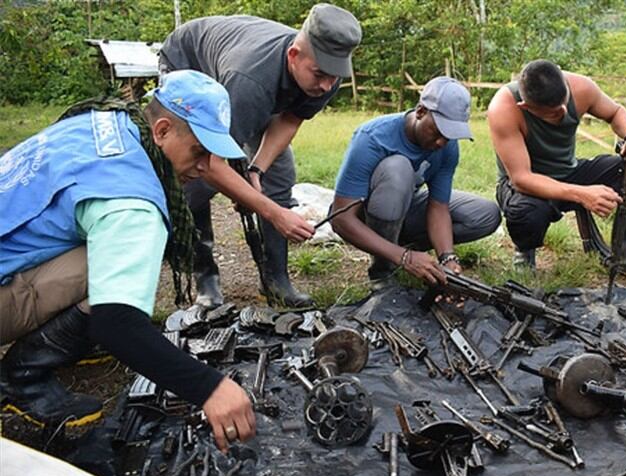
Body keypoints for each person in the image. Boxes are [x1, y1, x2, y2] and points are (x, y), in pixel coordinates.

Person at [0, 70, 255, 452]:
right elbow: (115, 321)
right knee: (122, 266)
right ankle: (22, 379)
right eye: (199, 151)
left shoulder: (104, 120)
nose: (205, 167)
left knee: (116, 256)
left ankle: (59, 343)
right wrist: (210, 387)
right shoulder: (132, 202)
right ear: (163, 130)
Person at [159, 5, 362, 308]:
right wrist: (272, 212)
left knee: (279, 174)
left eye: (333, 77)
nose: (326, 86)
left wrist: (256, 170)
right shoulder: (250, 81)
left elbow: (290, 120)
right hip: (192, 63)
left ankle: (275, 281)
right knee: (194, 180)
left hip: (248, 86)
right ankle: (206, 278)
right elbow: (209, 163)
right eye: (320, 75)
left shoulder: (328, 74)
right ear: (294, 55)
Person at [486, 59, 626, 281]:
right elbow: (521, 178)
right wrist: (582, 194)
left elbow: (615, 112)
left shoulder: (581, 87)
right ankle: (525, 252)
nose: (562, 113)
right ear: (526, 107)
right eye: (552, 113)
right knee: (526, 212)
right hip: (526, 185)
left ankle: (624, 255)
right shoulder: (504, 108)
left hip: (570, 171)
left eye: (564, 104)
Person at [330, 77, 501, 285]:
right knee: (398, 169)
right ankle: (383, 269)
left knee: (485, 214)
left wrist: (448, 258)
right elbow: (340, 219)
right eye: (438, 132)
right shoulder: (372, 138)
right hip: (367, 217)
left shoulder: (447, 146)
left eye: (449, 135)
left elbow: (438, 207)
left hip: (407, 206)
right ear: (421, 111)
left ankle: (404, 248)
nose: (441, 142)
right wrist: (404, 258)